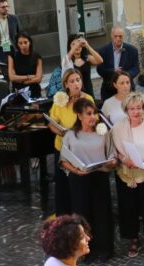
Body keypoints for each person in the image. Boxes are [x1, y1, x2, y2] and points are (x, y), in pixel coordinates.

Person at [60, 98, 117, 262]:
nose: (93, 117)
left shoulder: (103, 133)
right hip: (79, 179)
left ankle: (105, 249)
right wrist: (76, 170)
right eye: (89, 114)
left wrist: (112, 161)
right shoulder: (71, 135)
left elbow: (111, 154)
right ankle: (86, 250)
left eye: (94, 113)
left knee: (102, 213)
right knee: (82, 214)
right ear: (79, 115)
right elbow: (64, 159)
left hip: (99, 176)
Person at [110, 92, 144, 257]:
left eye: (139, 108)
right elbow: (115, 151)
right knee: (129, 207)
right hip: (127, 173)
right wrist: (124, 159)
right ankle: (133, 239)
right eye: (132, 108)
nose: (136, 112)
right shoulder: (118, 128)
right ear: (126, 110)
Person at [47, 68, 94, 215]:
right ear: (66, 84)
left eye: (78, 80)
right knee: (63, 185)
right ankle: (63, 217)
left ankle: (80, 215)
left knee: (79, 186)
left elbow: (92, 121)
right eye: (72, 81)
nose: (76, 84)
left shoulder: (88, 99)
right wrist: (62, 132)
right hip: (62, 148)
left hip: (80, 149)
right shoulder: (60, 100)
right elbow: (51, 123)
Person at [97, 26, 140, 102]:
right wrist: (113, 71)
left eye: (120, 36)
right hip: (109, 89)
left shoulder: (132, 50)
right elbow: (100, 70)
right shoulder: (103, 51)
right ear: (111, 36)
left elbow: (136, 68)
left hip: (127, 89)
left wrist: (125, 75)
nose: (118, 39)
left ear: (123, 36)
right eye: (115, 36)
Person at [62, 34, 103, 101]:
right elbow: (66, 60)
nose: (77, 47)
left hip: (88, 91)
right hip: (75, 93)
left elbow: (100, 60)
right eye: (73, 44)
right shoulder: (68, 61)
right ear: (69, 46)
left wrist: (87, 46)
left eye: (79, 45)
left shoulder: (87, 58)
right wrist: (75, 46)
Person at [8, 31, 43, 98]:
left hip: (34, 90)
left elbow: (38, 78)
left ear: (30, 42)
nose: (23, 45)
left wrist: (23, 81)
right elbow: (12, 77)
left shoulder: (37, 56)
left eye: (25, 42)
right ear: (17, 44)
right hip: (19, 91)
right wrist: (29, 77)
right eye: (20, 43)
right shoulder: (12, 56)